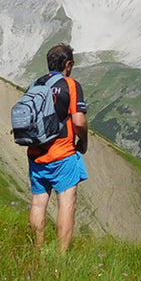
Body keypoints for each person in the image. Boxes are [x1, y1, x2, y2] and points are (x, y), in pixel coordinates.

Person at [27, 43, 89, 253]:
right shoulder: (70, 84)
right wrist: (84, 142)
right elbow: (79, 121)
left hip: (35, 154)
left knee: (38, 204)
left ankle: (37, 250)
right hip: (62, 154)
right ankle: (60, 257)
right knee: (67, 204)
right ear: (68, 64)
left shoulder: (35, 84)